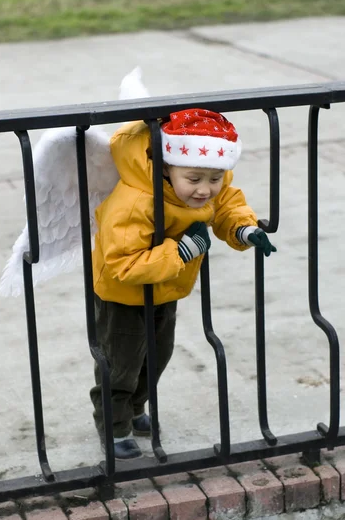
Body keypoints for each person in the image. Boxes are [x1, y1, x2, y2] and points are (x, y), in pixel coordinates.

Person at [90, 108, 276, 460]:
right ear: (166, 167)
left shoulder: (202, 183)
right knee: (121, 364)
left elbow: (226, 206)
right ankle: (113, 427)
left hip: (166, 288)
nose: (205, 190)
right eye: (194, 179)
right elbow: (121, 265)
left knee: (156, 357)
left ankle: (135, 408)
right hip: (123, 298)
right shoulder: (135, 203)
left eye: (214, 179)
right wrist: (182, 251)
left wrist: (244, 230)